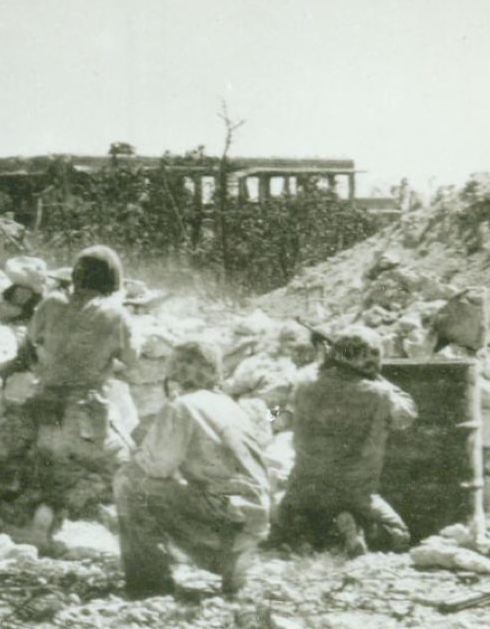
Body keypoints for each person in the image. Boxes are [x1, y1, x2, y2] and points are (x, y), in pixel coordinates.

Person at [114, 341, 274, 598]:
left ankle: (149, 584)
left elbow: (157, 468)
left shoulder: (181, 406)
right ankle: (232, 558)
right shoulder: (232, 406)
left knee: (129, 481)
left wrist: (137, 456)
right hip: (254, 515)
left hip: (224, 515)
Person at [271, 325, 416, 557]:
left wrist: (275, 409)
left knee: (293, 511)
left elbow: (277, 419)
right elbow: (407, 415)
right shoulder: (380, 394)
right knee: (399, 534)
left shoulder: (303, 383)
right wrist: (378, 377)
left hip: (303, 488)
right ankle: (349, 527)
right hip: (354, 493)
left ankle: (306, 530)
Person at [24, 245, 138, 468]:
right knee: (129, 459)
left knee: (51, 467)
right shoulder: (115, 315)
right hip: (85, 413)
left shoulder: (51, 303)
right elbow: (131, 360)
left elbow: (30, 340)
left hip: (46, 407)